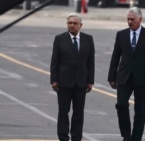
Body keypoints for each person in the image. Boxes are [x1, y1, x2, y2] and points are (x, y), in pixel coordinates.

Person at [107, 7, 145, 141]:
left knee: (140, 111)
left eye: (132, 19)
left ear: (140, 20)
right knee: (121, 105)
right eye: (128, 19)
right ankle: (126, 134)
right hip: (124, 77)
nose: (130, 22)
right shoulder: (121, 34)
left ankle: (136, 138)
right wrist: (111, 77)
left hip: (143, 78)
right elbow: (115, 56)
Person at [50, 13, 95, 141]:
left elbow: (90, 62)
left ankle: (76, 137)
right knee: (63, 112)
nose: (72, 25)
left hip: (81, 82)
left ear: (80, 25)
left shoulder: (88, 39)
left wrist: (90, 81)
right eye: (69, 23)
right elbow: (55, 61)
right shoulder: (59, 39)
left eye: (75, 23)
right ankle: (63, 136)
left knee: (78, 113)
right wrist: (54, 79)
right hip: (64, 82)